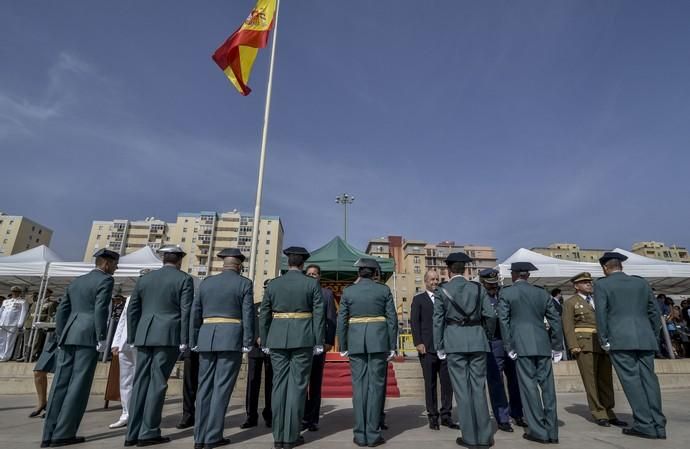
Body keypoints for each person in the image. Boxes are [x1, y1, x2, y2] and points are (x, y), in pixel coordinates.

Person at [41, 249, 118, 447]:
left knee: (60, 383)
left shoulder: (77, 281)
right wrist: (102, 336)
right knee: (79, 385)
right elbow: (101, 309)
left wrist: (61, 333)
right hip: (88, 334)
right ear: (106, 264)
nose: (115, 268)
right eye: (115, 264)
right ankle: (64, 433)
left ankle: (49, 433)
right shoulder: (106, 281)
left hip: (69, 333)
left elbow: (62, 310)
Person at [125, 245, 194, 447]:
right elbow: (186, 311)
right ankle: (148, 431)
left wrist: (133, 335)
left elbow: (133, 310)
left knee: (140, 382)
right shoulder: (184, 279)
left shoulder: (145, 279)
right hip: (168, 334)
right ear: (180, 260)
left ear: (163, 259)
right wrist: (184, 339)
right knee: (157, 383)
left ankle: (132, 432)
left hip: (144, 334)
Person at [594, 252, 666, 440]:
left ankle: (644, 424)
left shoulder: (602, 284)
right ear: (621, 266)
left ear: (604, 268)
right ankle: (658, 423)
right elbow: (654, 312)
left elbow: (601, 314)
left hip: (620, 339)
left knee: (632, 381)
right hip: (645, 338)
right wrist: (652, 335)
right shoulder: (641, 282)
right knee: (649, 380)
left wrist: (604, 340)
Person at [259, 246, 324, 449]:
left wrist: (265, 338)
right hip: (303, 339)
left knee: (278, 386)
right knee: (297, 387)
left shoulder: (274, 284)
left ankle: (278, 435)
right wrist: (318, 341)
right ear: (303, 264)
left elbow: (264, 314)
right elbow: (319, 315)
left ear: (288, 262)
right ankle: (291, 435)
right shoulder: (311, 284)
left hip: (277, 338)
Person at [190, 248, 254, 449]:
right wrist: (248, 340)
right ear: (239, 265)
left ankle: (199, 437)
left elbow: (196, 311)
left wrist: (194, 338)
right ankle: (213, 435)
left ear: (223, 264)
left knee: (204, 387)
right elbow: (248, 314)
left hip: (207, 336)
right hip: (231, 337)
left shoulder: (206, 282)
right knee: (222, 387)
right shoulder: (244, 283)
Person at [433, 252, 496, 448]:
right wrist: (486, 335)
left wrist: (439, 345)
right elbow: (491, 315)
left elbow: (438, 321)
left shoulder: (443, 290)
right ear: (466, 269)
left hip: (454, 341)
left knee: (461, 390)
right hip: (477, 339)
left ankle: (469, 437)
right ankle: (485, 436)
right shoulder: (478, 288)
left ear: (449, 270)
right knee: (478, 388)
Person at [498, 262, 562, 444]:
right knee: (548, 389)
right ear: (527, 275)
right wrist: (557, 345)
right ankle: (552, 431)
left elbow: (504, 321)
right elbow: (555, 320)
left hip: (521, 345)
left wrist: (509, 345)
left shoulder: (507, 293)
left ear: (514, 274)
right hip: (542, 344)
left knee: (529, 389)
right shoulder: (541, 293)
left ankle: (538, 431)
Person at [338, 258, 397, 448]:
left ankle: (359, 433)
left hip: (355, 343)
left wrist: (343, 345)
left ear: (359, 273)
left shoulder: (348, 291)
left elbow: (342, 320)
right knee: (376, 387)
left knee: (359, 388)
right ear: (374, 273)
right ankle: (372, 434)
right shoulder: (384, 290)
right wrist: (392, 345)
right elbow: (392, 320)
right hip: (378, 342)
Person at [562, 272, 627, 428]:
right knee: (591, 381)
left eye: (590, 282)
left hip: (603, 344)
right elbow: (568, 326)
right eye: (584, 282)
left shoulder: (598, 300)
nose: (589, 284)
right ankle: (599, 413)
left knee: (606, 380)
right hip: (584, 345)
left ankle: (609, 412)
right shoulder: (571, 303)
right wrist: (573, 345)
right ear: (576, 286)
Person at [478, 268, 525, 432]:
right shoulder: (480, 297)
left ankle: (518, 413)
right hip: (493, 342)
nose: (493, 287)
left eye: (494, 284)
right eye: (489, 285)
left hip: (510, 342)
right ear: (482, 283)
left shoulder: (504, 293)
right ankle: (502, 417)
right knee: (496, 382)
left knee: (515, 380)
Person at [410, 269, 456, 430]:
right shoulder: (419, 300)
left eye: (437, 279)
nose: (435, 282)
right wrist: (418, 342)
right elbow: (414, 322)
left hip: (446, 348)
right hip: (427, 349)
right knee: (430, 384)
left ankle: (446, 415)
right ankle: (433, 416)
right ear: (425, 281)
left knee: (447, 384)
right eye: (432, 279)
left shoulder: (445, 298)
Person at [109, 271, 150, 429]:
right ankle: (126, 413)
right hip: (125, 343)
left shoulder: (151, 298)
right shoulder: (129, 298)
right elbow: (122, 320)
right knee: (125, 380)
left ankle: (139, 413)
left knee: (141, 378)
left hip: (142, 342)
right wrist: (116, 342)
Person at [302, 264, 337, 432]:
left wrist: (329, 341)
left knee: (315, 383)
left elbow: (331, 318)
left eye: (315, 274)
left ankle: (313, 419)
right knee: (301, 383)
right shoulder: (300, 292)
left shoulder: (327, 294)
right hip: (300, 343)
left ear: (319, 276)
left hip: (318, 345)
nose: (312, 276)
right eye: (309, 274)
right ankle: (302, 416)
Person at [240, 287, 273, 430]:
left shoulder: (277, 307)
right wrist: (255, 338)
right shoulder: (255, 306)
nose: (267, 292)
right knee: (252, 382)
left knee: (271, 383)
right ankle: (251, 416)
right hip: (255, 348)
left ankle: (270, 415)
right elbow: (248, 324)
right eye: (265, 289)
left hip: (271, 348)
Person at [0, 286, 28, 361]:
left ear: (19, 293)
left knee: (10, 341)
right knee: (1, 339)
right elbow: (1, 311)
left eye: (16, 292)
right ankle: (0, 355)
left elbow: (23, 312)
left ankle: (6, 356)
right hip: (3, 323)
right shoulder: (6, 301)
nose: (15, 293)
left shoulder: (22, 302)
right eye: (13, 292)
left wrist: (20, 323)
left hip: (13, 323)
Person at [32, 289, 59, 358]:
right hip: (32, 323)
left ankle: (34, 355)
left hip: (42, 324)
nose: (42, 294)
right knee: (31, 340)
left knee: (37, 341)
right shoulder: (36, 302)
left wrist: (47, 325)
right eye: (41, 292)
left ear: (49, 294)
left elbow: (50, 314)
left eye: (45, 293)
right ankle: (28, 354)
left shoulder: (51, 303)